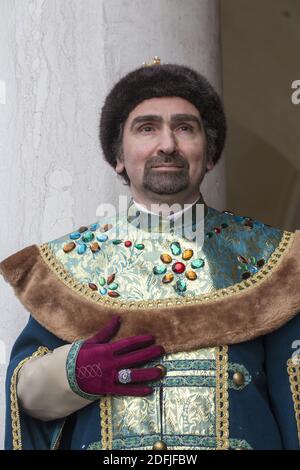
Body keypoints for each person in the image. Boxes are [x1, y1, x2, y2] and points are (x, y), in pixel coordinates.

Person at [1, 58, 300, 451]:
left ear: (209, 155)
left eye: (184, 128)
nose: (167, 145)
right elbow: (25, 393)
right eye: (147, 128)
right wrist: (74, 373)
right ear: (119, 157)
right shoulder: (70, 267)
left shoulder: (272, 261)